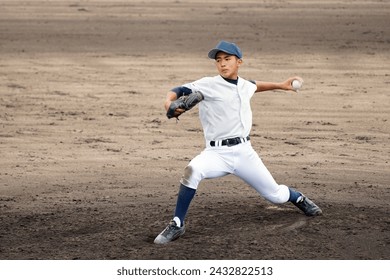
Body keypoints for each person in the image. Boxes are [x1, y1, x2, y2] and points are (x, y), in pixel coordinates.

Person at [154, 40, 322, 245]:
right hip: (215, 154)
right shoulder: (208, 84)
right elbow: (177, 89)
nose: (222, 64)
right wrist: (168, 103)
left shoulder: (244, 85)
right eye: (218, 60)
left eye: (227, 59)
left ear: (239, 62)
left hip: (244, 154)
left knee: (276, 196)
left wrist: (281, 85)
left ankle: (298, 198)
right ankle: (177, 223)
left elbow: (254, 86)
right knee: (192, 170)